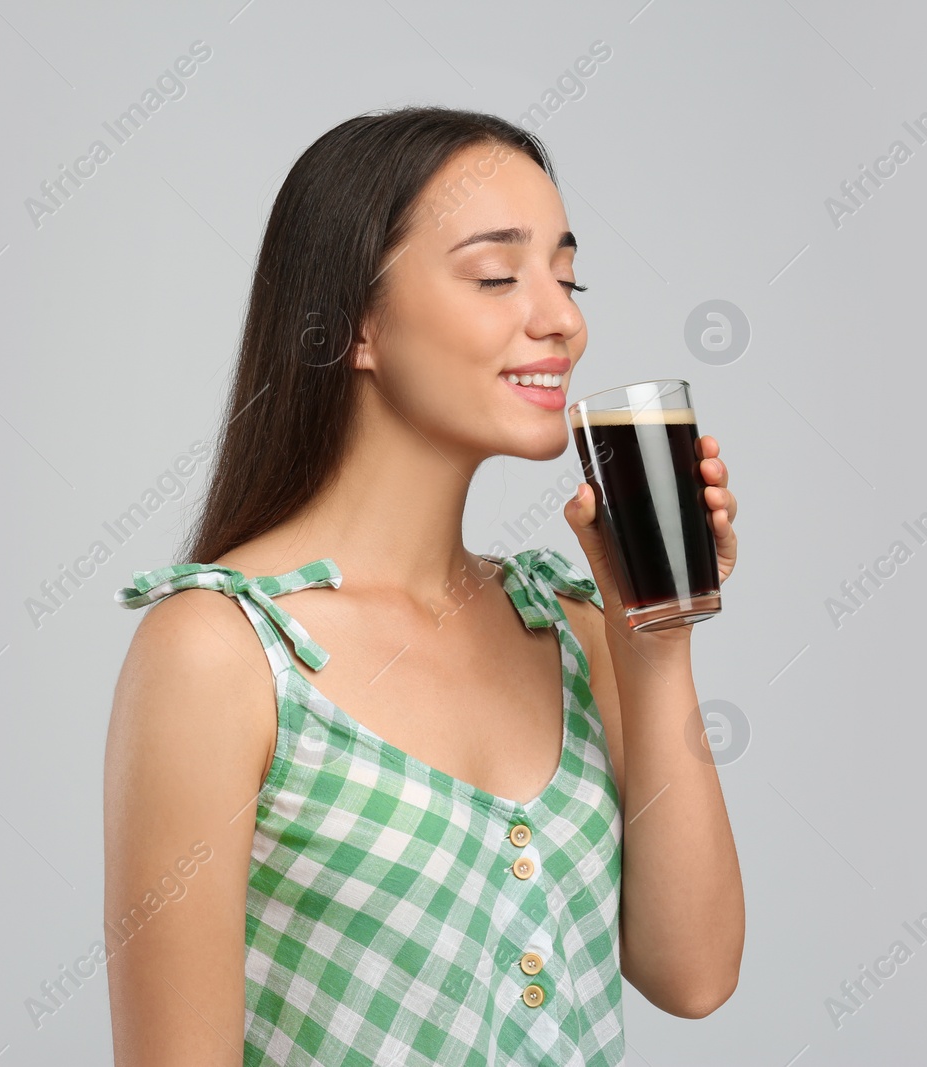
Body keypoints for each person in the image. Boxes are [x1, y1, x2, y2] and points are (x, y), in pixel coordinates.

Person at [103, 105, 743, 1066]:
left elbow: (693, 974)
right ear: (354, 326)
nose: (562, 318)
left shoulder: (572, 626)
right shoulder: (220, 652)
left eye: (567, 277)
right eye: (497, 276)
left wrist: (655, 641)